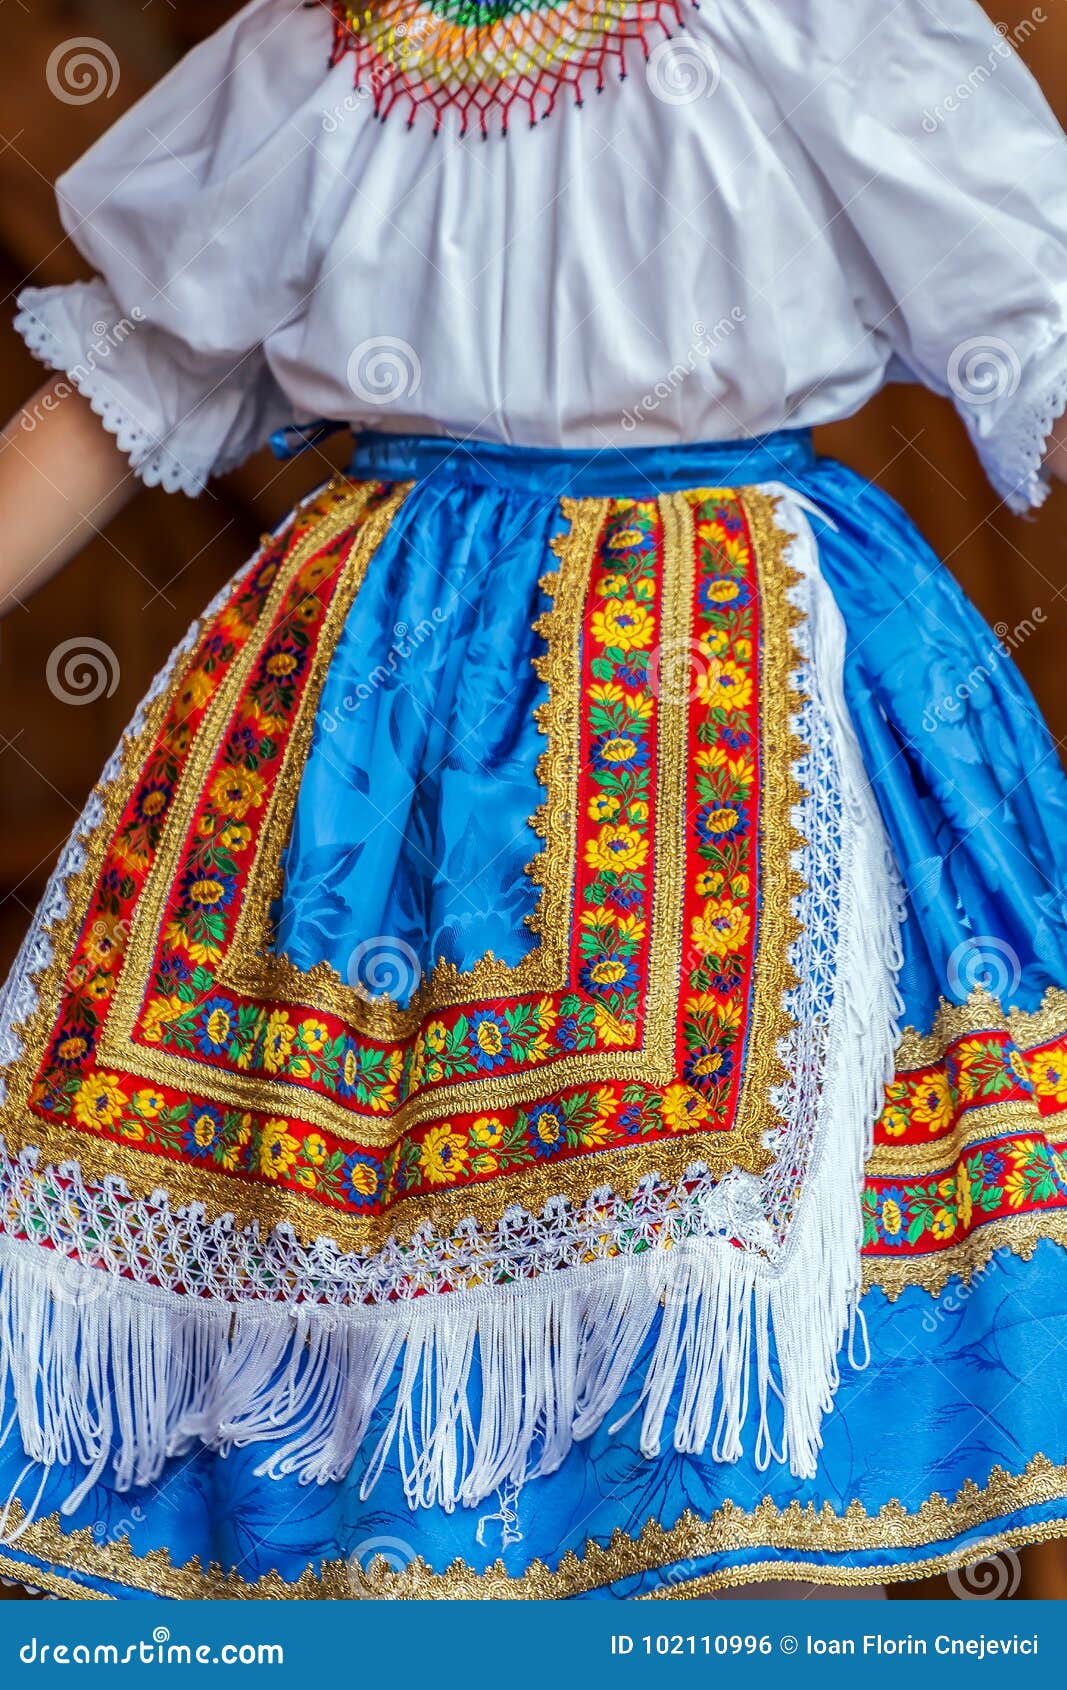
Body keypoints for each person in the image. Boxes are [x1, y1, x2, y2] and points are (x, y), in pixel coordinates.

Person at [0, 0, 1066, 1601]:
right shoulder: (314, 63)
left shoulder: (818, 27)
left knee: (711, 1353)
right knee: (347, 1305)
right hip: (368, 751)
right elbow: (137, 371)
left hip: (734, 694)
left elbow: (1038, 332)